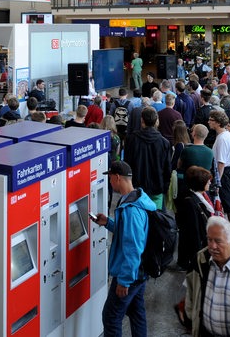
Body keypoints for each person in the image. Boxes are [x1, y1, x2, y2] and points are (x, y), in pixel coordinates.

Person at [90, 160, 156, 336]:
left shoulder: (131, 210)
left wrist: (124, 280)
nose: (110, 183)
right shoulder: (137, 198)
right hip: (140, 271)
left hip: (130, 274)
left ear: (117, 177)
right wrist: (108, 223)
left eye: (110, 179)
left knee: (111, 317)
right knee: (136, 313)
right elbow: (128, 233)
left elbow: (133, 247)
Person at [123, 106, 171, 208]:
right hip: (157, 186)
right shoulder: (164, 143)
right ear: (156, 120)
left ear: (142, 120)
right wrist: (165, 187)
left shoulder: (131, 140)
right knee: (155, 218)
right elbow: (167, 168)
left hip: (136, 187)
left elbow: (127, 164)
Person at [175, 166, 214, 271]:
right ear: (200, 183)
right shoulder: (191, 202)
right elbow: (194, 230)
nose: (210, 183)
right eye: (207, 181)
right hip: (198, 245)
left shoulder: (202, 195)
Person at [210, 110, 230, 229]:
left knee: (229, 207)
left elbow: (221, 163)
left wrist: (217, 182)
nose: (208, 122)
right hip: (228, 172)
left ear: (217, 122)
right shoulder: (226, 134)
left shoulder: (222, 138)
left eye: (211, 120)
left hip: (224, 175)